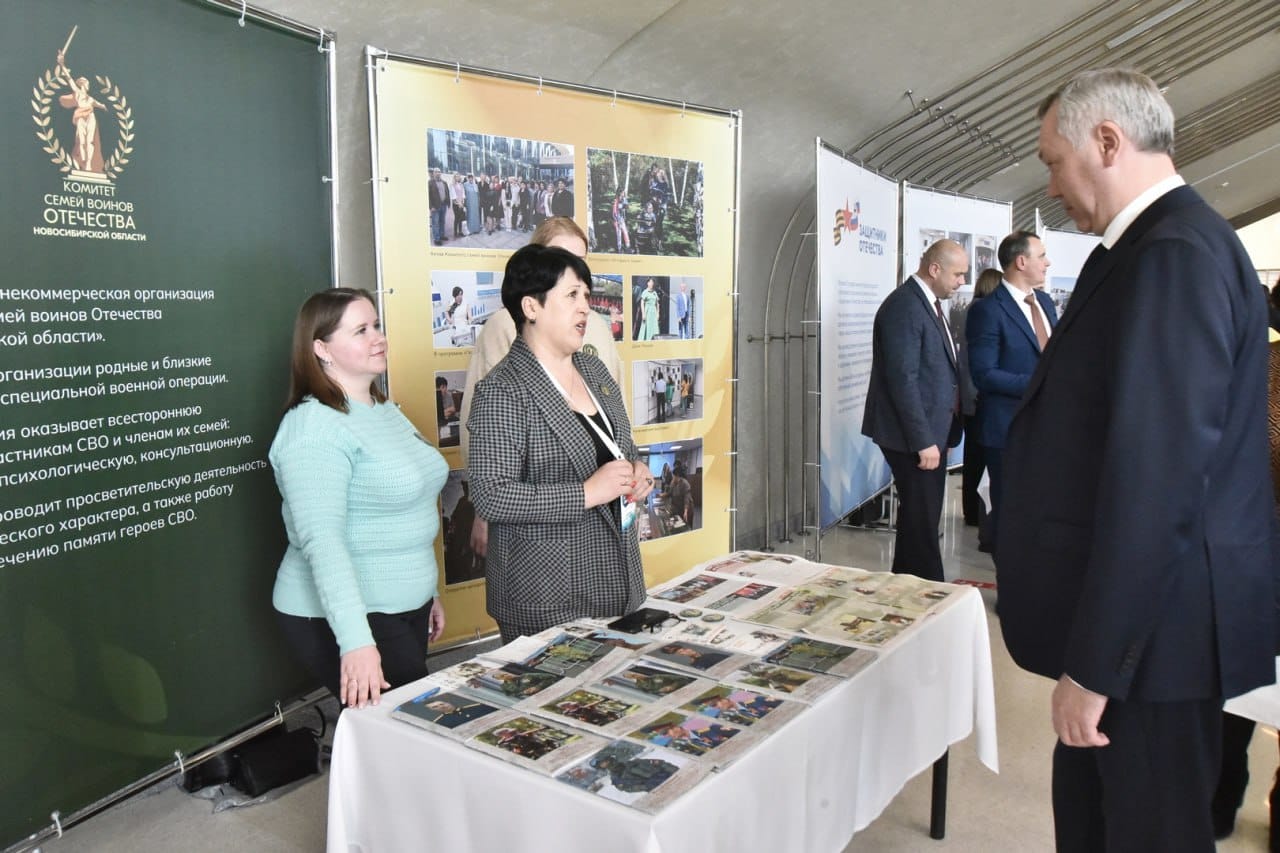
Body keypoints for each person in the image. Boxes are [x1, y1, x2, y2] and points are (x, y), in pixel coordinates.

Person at [998, 68, 1278, 852]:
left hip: (1151, 644)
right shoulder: (1158, 246)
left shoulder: (1174, 254)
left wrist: (1097, 667)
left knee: (1144, 830)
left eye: (1054, 162)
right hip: (1148, 634)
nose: (1051, 186)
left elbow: (1158, 480)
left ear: (1107, 141)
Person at [270, 288, 448, 709]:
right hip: (352, 614)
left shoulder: (382, 410)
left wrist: (427, 592)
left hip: (405, 606)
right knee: (404, 730)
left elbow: (410, 506)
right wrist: (355, 643)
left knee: (401, 730)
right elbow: (323, 542)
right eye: (361, 330)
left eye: (377, 326)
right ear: (321, 349)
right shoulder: (313, 428)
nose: (378, 338)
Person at [467, 244, 653, 643]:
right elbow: (491, 496)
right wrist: (587, 493)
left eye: (586, 295)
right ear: (531, 307)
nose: (585, 307)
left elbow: (621, 447)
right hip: (546, 597)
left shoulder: (593, 369)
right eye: (571, 295)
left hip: (617, 578)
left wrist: (638, 471)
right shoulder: (502, 391)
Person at [459, 217, 623, 562]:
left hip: (606, 523)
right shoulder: (504, 330)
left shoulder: (597, 329)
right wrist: (482, 509)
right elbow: (482, 435)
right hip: (540, 537)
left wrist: (630, 468)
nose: (572, 268)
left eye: (580, 261)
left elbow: (616, 416)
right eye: (561, 257)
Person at [860, 239, 966, 582]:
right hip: (912, 437)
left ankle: (905, 584)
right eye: (958, 274)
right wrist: (923, 440)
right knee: (922, 522)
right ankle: (931, 591)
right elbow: (902, 380)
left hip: (930, 431)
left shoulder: (926, 303)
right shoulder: (905, 307)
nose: (962, 281)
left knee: (920, 518)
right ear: (934, 269)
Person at [965, 231, 1057, 553]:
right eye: (1041, 256)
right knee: (1011, 514)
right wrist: (1038, 384)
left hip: (1049, 428)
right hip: (1008, 429)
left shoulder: (1045, 302)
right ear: (1021, 261)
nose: (1047, 263)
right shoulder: (988, 310)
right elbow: (984, 374)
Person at [957, 268, 1001, 530]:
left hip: (970, 398)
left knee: (972, 458)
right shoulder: (982, 313)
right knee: (978, 459)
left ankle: (972, 512)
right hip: (977, 399)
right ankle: (975, 512)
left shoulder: (972, 310)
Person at [428, 168, 450, 246]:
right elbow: (428, 196)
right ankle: (437, 239)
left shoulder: (444, 182)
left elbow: (447, 192)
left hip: (443, 205)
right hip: (435, 206)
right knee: (435, 223)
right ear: (433, 173)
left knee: (442, 221)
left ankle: (442, 235)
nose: (438, 173)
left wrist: (448, 203)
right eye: (436, 172)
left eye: (439, 172)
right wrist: (431, 206)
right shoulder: (430, 183)